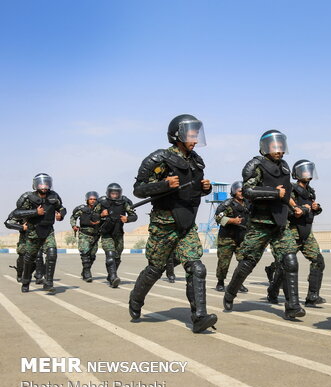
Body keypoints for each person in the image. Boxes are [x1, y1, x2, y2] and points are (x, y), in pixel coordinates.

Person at [130, 114, 217, 333]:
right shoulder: (159, 158)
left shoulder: (196, 161)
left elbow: (191, 191)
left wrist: (205, 188)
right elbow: (139, 189)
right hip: (164, 224)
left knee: (197, 267)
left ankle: (199, 317)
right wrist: (164, 184)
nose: (195, 139)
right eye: (191, 134)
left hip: (187, 224)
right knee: (156, 268)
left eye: (196, 135)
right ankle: (135, 300)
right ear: (177, 135)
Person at [223, 130, 306, 320]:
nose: (279, 150)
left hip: (280, 222)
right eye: (274, 146)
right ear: (265, 147)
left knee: (290, 261)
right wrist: (274, 193)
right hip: (260, 223)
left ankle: (292, 306)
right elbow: (248, 190)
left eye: (280, 146)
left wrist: (295, 207)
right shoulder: (256, 165)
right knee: (248, 262)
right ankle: (230, 293)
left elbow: (287, 193)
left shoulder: (285, 167)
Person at [266, 159, 326, 306]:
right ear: (297, 174)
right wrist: (303, 209)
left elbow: (308, 211)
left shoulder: (310, 192)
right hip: (290, 232)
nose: (308, 173)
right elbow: (290, 211)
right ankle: (273, 291)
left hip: (306, 232)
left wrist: (316, 208)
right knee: (285, 266)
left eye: (309, 170)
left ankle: (312, 296)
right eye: (305, 171)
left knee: (318, 261)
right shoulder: (290, 189)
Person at [12, 173, 66, 293]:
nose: (44, 186)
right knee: (29, 258)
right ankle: (25, 282)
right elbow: (17, 213)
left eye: (46, 183)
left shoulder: (53, 196)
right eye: (41, 183)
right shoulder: (28, 197)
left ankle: (48, 283)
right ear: (36, 185)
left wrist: (61, 215)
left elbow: (61, 208)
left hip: (48, 230)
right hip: (33, 231)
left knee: (52, 254)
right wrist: (35, 212)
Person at [93, 183, 137, 287]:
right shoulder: (102, 202)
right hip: (106, 233)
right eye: (112, 193)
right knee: (110, 255)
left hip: (118, 233)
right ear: (108, 193)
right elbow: (92, 217)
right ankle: (113, 277)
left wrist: (128, 219)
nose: (114, 195)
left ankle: (110, 275)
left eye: (116, 193)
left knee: (117, 257)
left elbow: (134, 216)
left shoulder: (124, 202)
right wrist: (100, 215)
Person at [214, 181, 250, 292]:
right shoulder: (226, 205)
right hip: (227, 238)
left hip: (242, 238)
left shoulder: (249, 204)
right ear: (234, 192)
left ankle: (238, 283)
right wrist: (232, 221)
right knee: (223, 263)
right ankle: (220, 282)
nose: (242, 193)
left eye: (243, 191)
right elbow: (218, 218)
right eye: (240, 191)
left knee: (243, 263)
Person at [4, 210, 44, 283]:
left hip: (37, 235)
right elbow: (9, 223)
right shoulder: (22, 210)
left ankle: (38, 276)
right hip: (25, 236)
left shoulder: (40, 208)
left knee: (38, 254)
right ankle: (20, 274)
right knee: (22, 255)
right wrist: (21, 227)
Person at [70, 191, 101, 282]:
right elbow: (73, 217)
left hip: (95, 235)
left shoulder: (100, 210)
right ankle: (87, 273)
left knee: (92, 256)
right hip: (84, 234)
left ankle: (84, 271)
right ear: (87, 200)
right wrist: (74, 226)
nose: (92, 201)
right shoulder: (82, 209)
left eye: (94, 199)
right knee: (85, 254)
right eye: (91, 199)